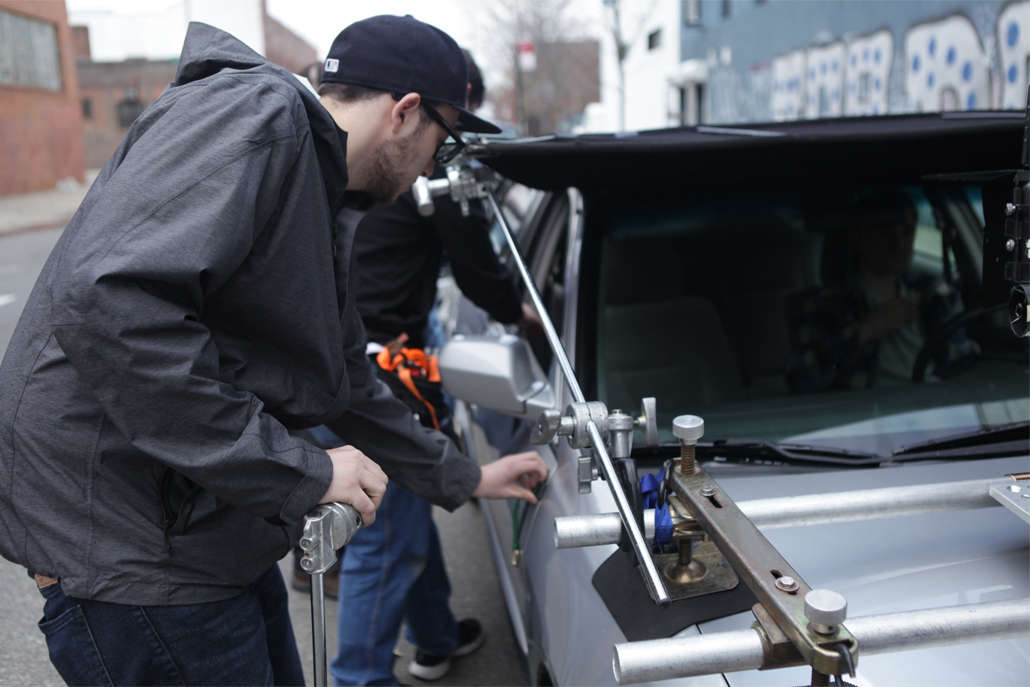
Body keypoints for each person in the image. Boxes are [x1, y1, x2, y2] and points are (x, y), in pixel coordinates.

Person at [0, 15, 546, 687]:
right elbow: (113, 304)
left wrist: (462, 477)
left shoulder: (323, 188)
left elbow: (343, 375)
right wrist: (304, 471)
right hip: (133, 546)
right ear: (405, 112)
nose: (437, 165)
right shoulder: (258, 116)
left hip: (207, 525)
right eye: (444, 136)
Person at [325, 50, 540, 686]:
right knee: (387, 543)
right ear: (414, 110)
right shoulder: (431, 179)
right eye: (453, 123)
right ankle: (359, 678)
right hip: (375, 376)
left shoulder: (334, 171)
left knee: (403, 521)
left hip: (347, 369)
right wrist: (522, 312)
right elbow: (482, 277)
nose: (448, 147)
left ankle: (437, 635)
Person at [786, 189, 978, 392]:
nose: (899, 244)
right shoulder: (826, 303)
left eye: (907, 232)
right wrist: (863, 332)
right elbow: (800, 378)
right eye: (885, 233)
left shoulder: (935, 294)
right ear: (859, 239)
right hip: (868, 414)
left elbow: (960, 363)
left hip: (934, 404)